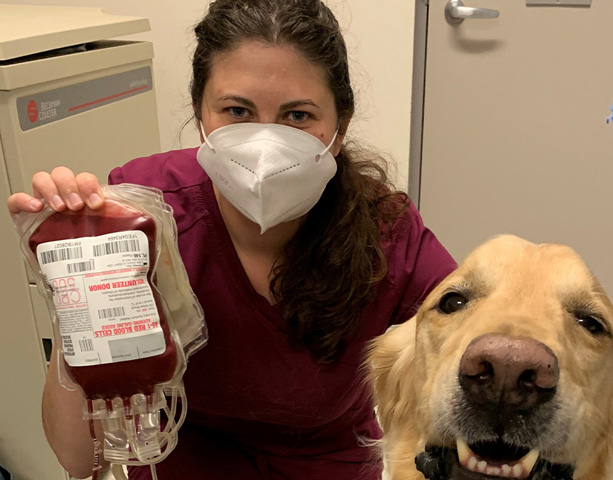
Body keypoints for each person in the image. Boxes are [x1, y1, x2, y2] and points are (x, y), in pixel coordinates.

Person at [7, 0, 457, 479]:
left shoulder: (383, 230)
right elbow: (80, 460)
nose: (265, 142)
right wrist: (76, 293)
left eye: (298, 115)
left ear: (340, 128)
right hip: (180, 451)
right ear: (200, 114)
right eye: (237, 110)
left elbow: (474, 330)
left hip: (324, 458)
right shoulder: (143, 219)